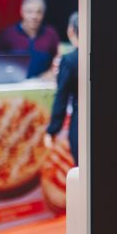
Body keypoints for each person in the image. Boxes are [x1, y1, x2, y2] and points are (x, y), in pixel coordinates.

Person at [0, 0, 60, 78]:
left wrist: (51, 73)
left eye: (38, 12)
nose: (34, 16)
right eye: (29, 12)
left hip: (42, 86)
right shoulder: (8, 35)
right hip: (14, 86)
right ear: (22, 12)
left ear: (43, 14)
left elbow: (59, 59)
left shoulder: (51, 34)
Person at [46, 12, 79, 164]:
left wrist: (53, 129)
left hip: (81, 124)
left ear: (71, 31)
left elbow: (62, 96)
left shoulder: (69, 60)